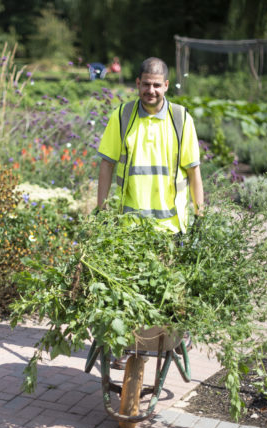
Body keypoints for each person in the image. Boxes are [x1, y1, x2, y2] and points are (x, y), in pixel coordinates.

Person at [96, 57, 204, 368]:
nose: (151, 90)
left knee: (166, 293)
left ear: (166, 85)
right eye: (146, 84)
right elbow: (107, 163)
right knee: (126, 290)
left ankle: (170, 338)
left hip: (170, 226)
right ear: (138, 85)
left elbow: (194, 172)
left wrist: (201, 215)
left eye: (157, 85)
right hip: (130, 225)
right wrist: (101, 210)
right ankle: (123, 346)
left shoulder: (181, 119)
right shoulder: (124, 115)